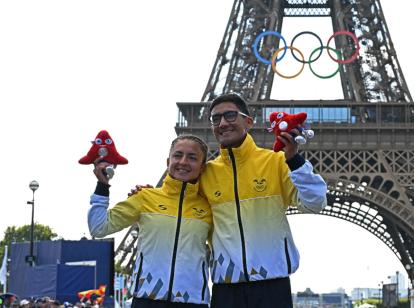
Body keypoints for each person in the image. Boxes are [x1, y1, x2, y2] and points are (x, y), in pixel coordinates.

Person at [202, 93, 327, 308]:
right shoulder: (205, 173)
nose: (222, 123)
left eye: (230, 115)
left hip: (272, 286)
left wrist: (295, 160)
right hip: (226, 286)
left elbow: (316, 202)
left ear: (248, 122)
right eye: (216, 118)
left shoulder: (276, 161)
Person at [87, 135, 212, 308]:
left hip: (193, 300)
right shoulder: (145, 197)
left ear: (202, 167)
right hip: (147, 298)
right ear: (168, 161)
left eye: (192, 157)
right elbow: (98, 228)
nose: (183, 162)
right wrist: (102, 185)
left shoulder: (210, 207)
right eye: (178, 155)